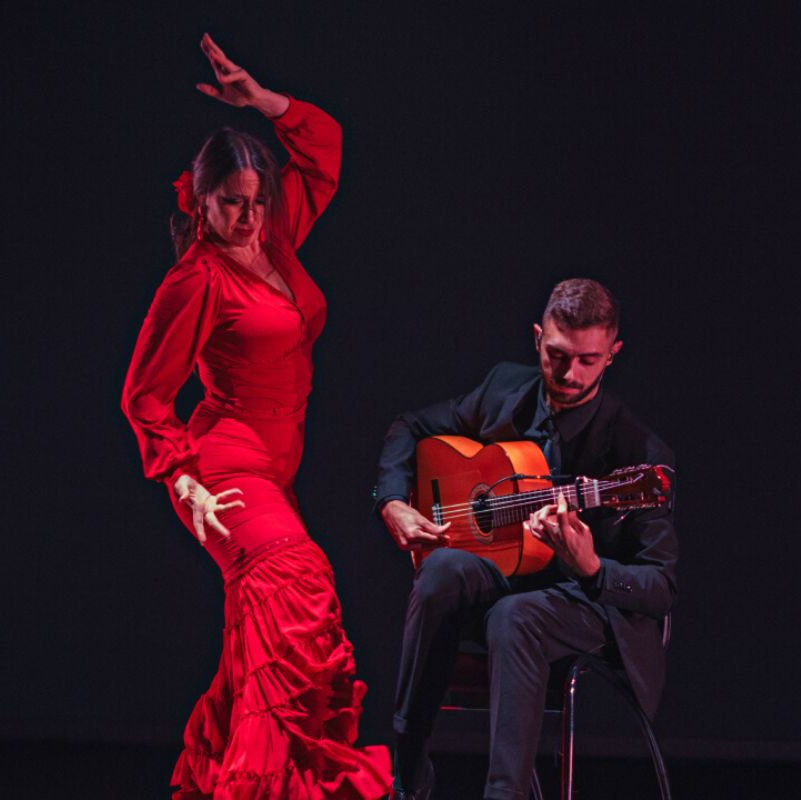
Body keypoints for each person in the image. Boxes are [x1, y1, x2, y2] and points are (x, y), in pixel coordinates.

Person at [121, 33, 390, 800]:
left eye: (254, 200)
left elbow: (326, 147)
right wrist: (183, 482)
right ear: (201, 201)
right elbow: (144, 394)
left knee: (257, 647)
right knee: (297, 589)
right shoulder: (196, 279)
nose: (244, 215)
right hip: (226, 468)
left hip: (279, 466)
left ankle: (224, 783)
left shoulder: (275, 238)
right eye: (229, 202)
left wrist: (262, 101)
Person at [374, 279, 678, 800]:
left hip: (583, 603)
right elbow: (411, 425)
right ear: (538, 338)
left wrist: (593, 568)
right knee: (441, 570)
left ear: (612, 356)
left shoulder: (635, 455)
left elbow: (661, 587)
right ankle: (408, 771)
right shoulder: (504, 390)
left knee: (516, 617)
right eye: (557, 355)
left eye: (588, 360)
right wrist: (393, 501)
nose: (569, 375)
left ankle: (505, 793)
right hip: (507, 577)